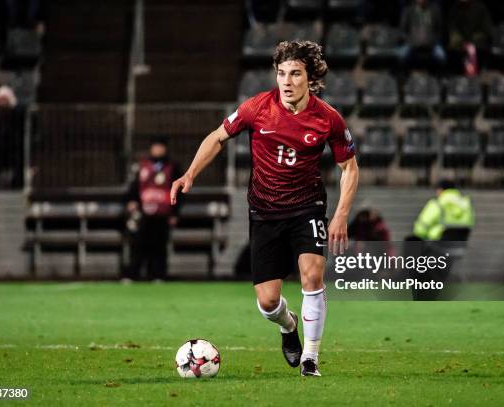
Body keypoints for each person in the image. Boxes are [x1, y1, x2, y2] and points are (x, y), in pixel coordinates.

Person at [171, 40, 359, 376]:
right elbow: (217, 137)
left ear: (310, 79)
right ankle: (288, 328)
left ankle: (311, 358)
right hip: (265, 211)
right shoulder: (257, 108)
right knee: (269, 302)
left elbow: (350, 168)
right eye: (281, 73)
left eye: (295, 74)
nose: (286, 81)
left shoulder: (328, 118)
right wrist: (189, 174)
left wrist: (342, 213)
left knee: (312, 275)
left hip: (307, 207)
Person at [126, 137, 181, 281]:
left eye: (160, 147)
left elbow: (179, 191)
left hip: (163, 213)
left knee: (160, 245)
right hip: (144, 213)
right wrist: (132, 201)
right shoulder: (142, 166)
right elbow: (134, 187)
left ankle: (158, 275)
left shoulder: (172, 166)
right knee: (139, 244)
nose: (157, 150)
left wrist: (174, 213)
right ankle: (133, 274)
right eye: (155, 147)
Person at [447, 0, 492, 76]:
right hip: (459, 45)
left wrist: (471, 42)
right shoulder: (455, 8)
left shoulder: (480, 8)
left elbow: (486, 30)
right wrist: (460, 41)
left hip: (477, 44)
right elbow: (452, 28)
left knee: (473, 51)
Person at [398, 0, 446, 67]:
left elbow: (440, 28)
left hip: (431, 43)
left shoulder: (435, 10)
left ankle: (437, 74)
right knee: (401, 55)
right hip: (412, 42)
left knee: (441, 56)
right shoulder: (408, 10)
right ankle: (403, 74)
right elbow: (402, 29)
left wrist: (434, 40)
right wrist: (408, 40)